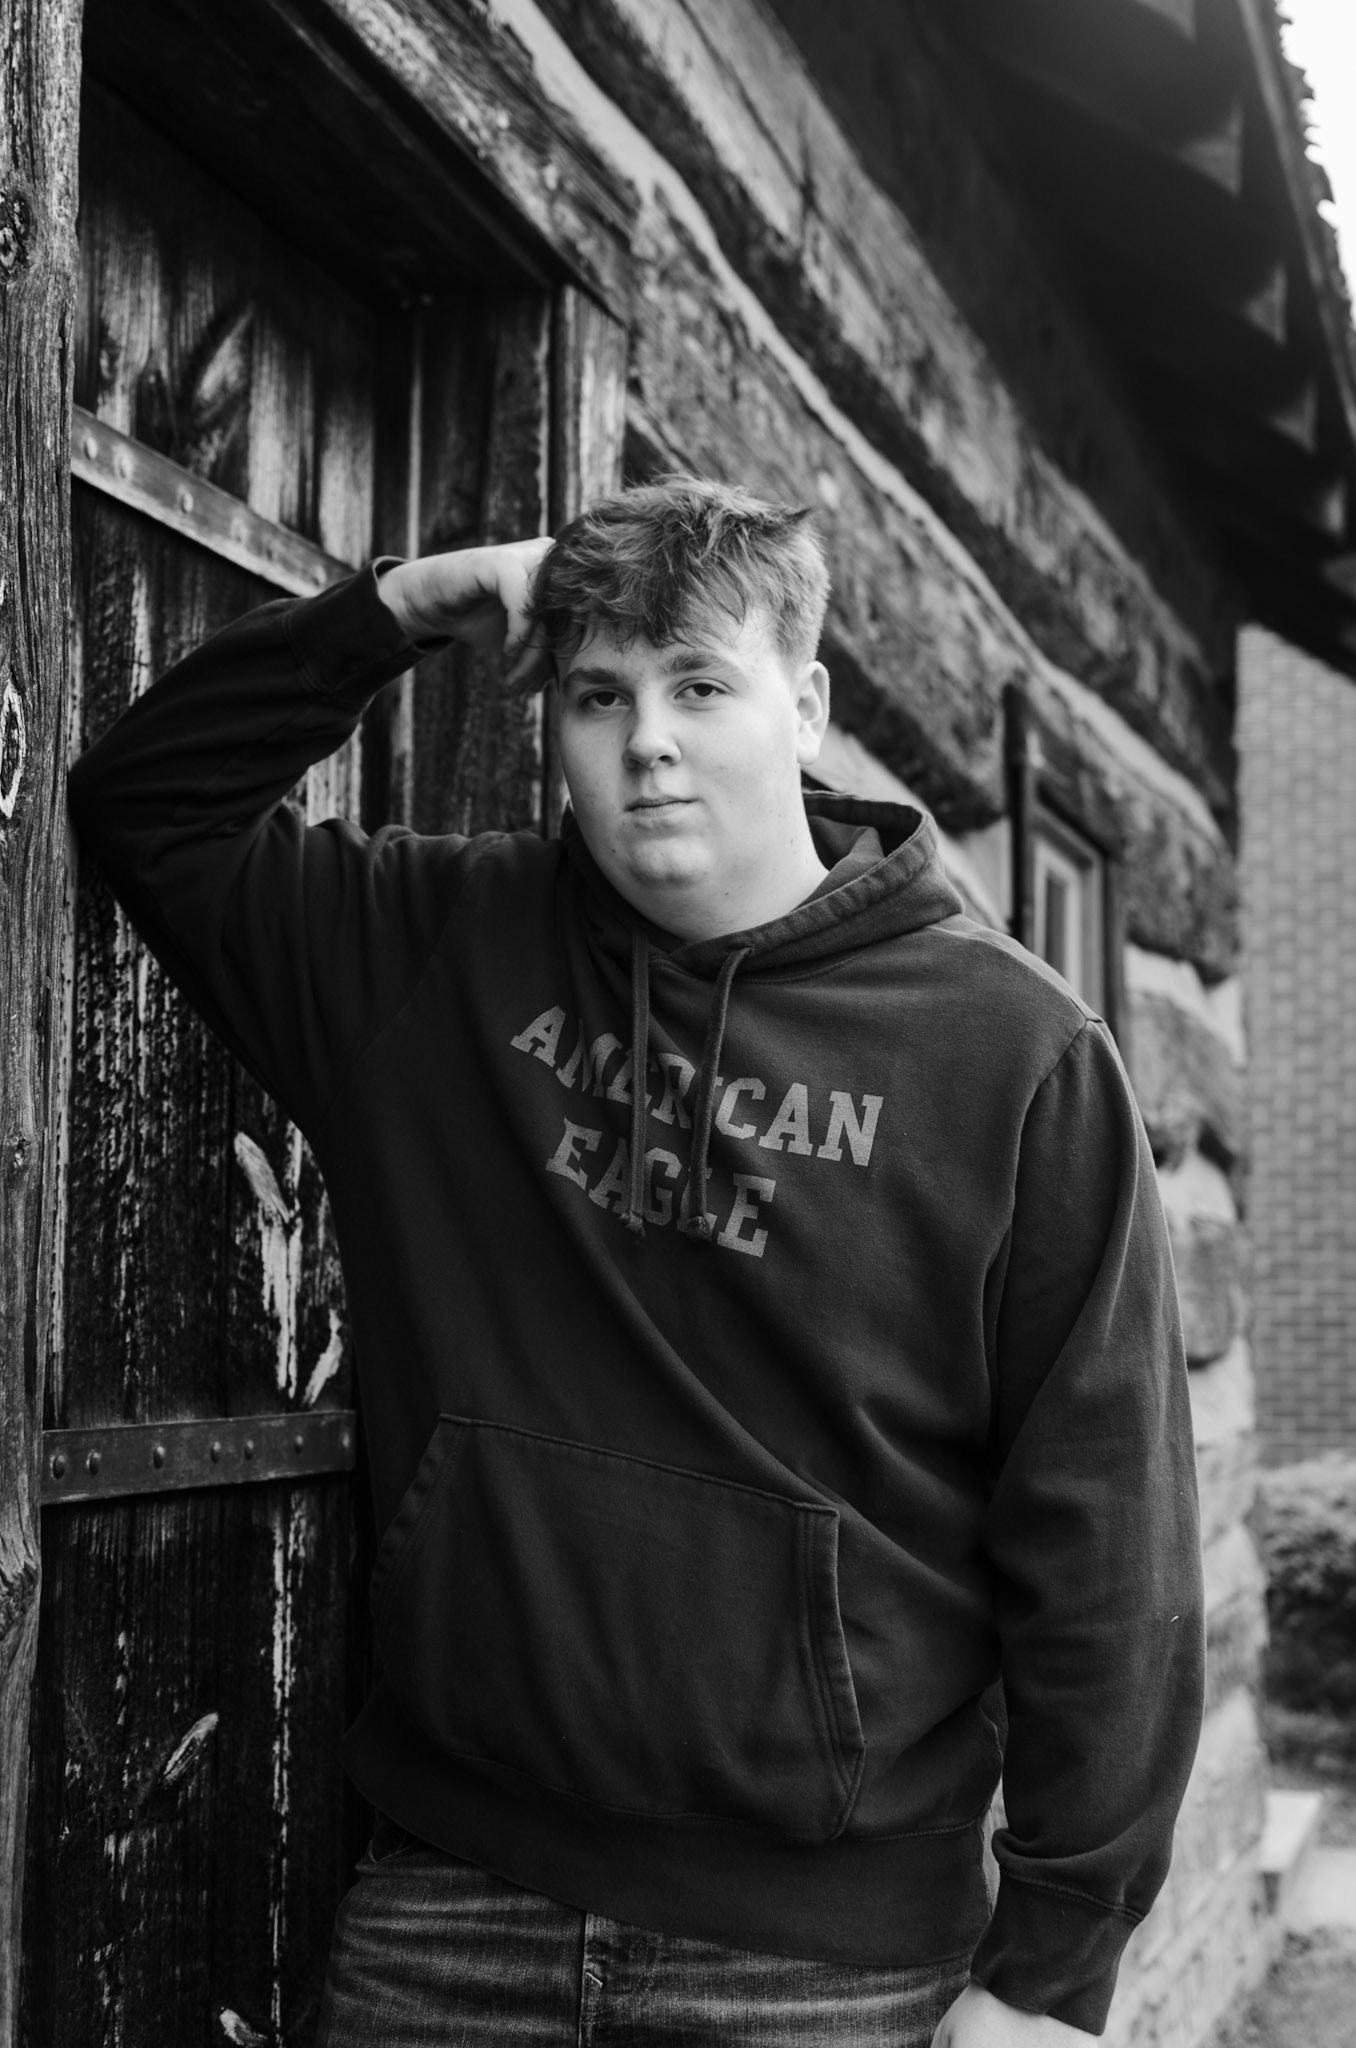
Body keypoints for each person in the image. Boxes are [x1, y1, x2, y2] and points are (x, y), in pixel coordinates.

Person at [67, 475, 1205, 2047]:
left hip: (831, 1967)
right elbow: (148, 805)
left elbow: (1110, 1532)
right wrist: (407, 601)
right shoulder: (430, 952)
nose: (647, 741)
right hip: (452, 1913)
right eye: (599, 695)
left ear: (807, 709)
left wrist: (1053, 1975)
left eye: (700, 687)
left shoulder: (1016, 1056)